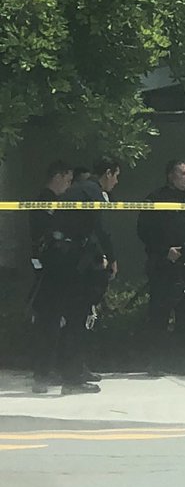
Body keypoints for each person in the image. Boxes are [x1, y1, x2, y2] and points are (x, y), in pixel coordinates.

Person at [48, 157, 121, 395]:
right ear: (108, 173)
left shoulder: (78, 189)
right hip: (77, 265)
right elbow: (100, 229)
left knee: (72, 319)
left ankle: (73, 370)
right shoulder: (93, 193)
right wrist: (111, 258)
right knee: (77, 320)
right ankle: (73, 379)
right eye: (116, 176)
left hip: (64, 261)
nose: (116, 182)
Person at [136, 159, 185, 377]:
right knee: (159, 316)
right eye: (182, 173)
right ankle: (156, 363)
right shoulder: (156, 200)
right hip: (165, 267)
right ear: (171, 176)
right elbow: (144, 232)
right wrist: (164, 251)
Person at [28, 161, 75, 393]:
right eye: (67, 180)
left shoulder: (51, 201)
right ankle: (43, 373)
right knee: (49, 322)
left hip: (52, 270)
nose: (69, 185)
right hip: (50, 271)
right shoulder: (46, 200)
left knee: (52, 322)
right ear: (57, 176)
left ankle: (46, 370)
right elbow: (49, 235)